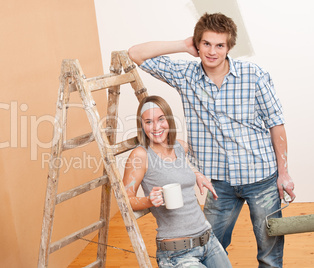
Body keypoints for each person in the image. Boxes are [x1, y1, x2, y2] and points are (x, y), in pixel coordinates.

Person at [127, 12, 295, 268]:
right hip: (218, 184)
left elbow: (276, 125)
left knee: (270, 255)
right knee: (207, 245)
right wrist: (183, 46)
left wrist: (283, 173)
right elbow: (135, 53)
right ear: (198, 44)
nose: (212, 51)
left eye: (220, 45)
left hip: (261, 177)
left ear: (229, 47)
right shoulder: (186, 76)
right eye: (206, 43)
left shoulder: (254, 76)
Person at [123, 95, 232, 267]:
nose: (156, 127)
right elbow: (125, 200)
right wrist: (149, 201)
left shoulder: (180, 147)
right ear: (142, 126)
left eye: (161, 119)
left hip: (208, 240)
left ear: (169, 120)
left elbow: (180, 169)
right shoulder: (140, 156)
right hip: (177, 253)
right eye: (149, 122)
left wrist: (197, 174)